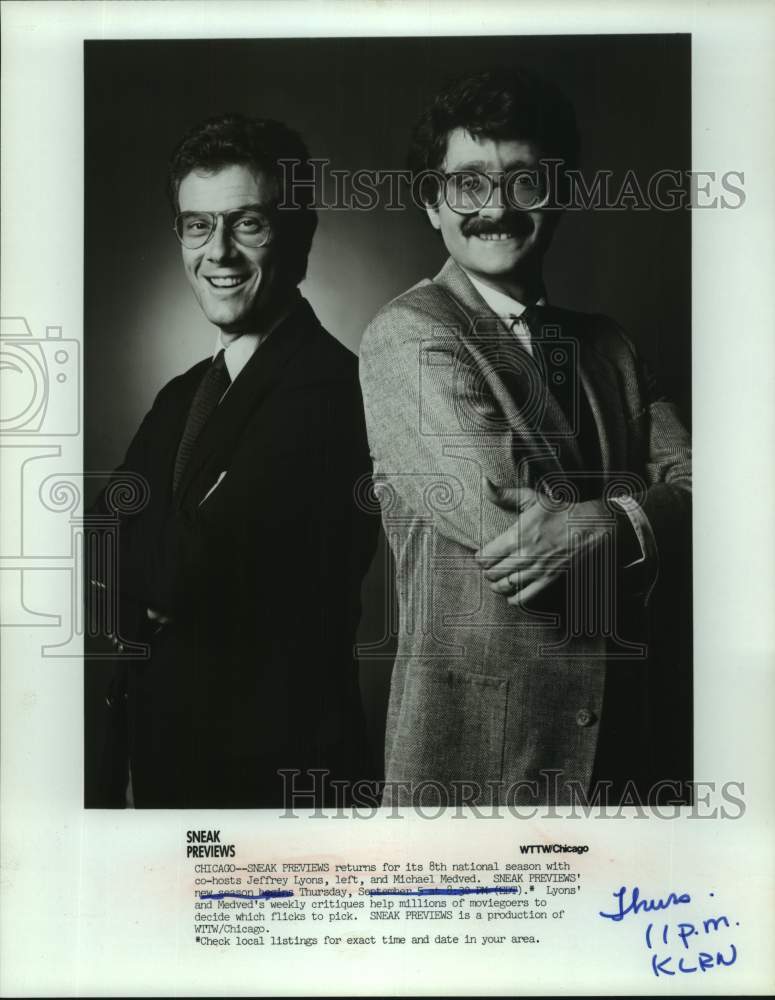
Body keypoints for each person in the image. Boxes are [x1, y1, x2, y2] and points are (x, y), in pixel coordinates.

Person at [359, 68, 692, 807]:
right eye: (468, 184)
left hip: (624, 759)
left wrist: (608, 519)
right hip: (474, 762)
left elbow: (720, 495)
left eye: (525, 181)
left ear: (562, 192)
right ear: (430, 204)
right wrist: (647, 510)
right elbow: (516, 537)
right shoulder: (408, 337)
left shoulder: (610, 347)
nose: (496, 209)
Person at [88, 114, 377, 808]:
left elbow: (192, 573)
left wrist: (152, 568)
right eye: (196, 225)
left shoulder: (338, 392)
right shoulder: (183, 393)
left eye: (248, 223)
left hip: (277, 789)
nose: (218, 252)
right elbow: (98, 541)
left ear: (300, 237)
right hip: (157, 766)